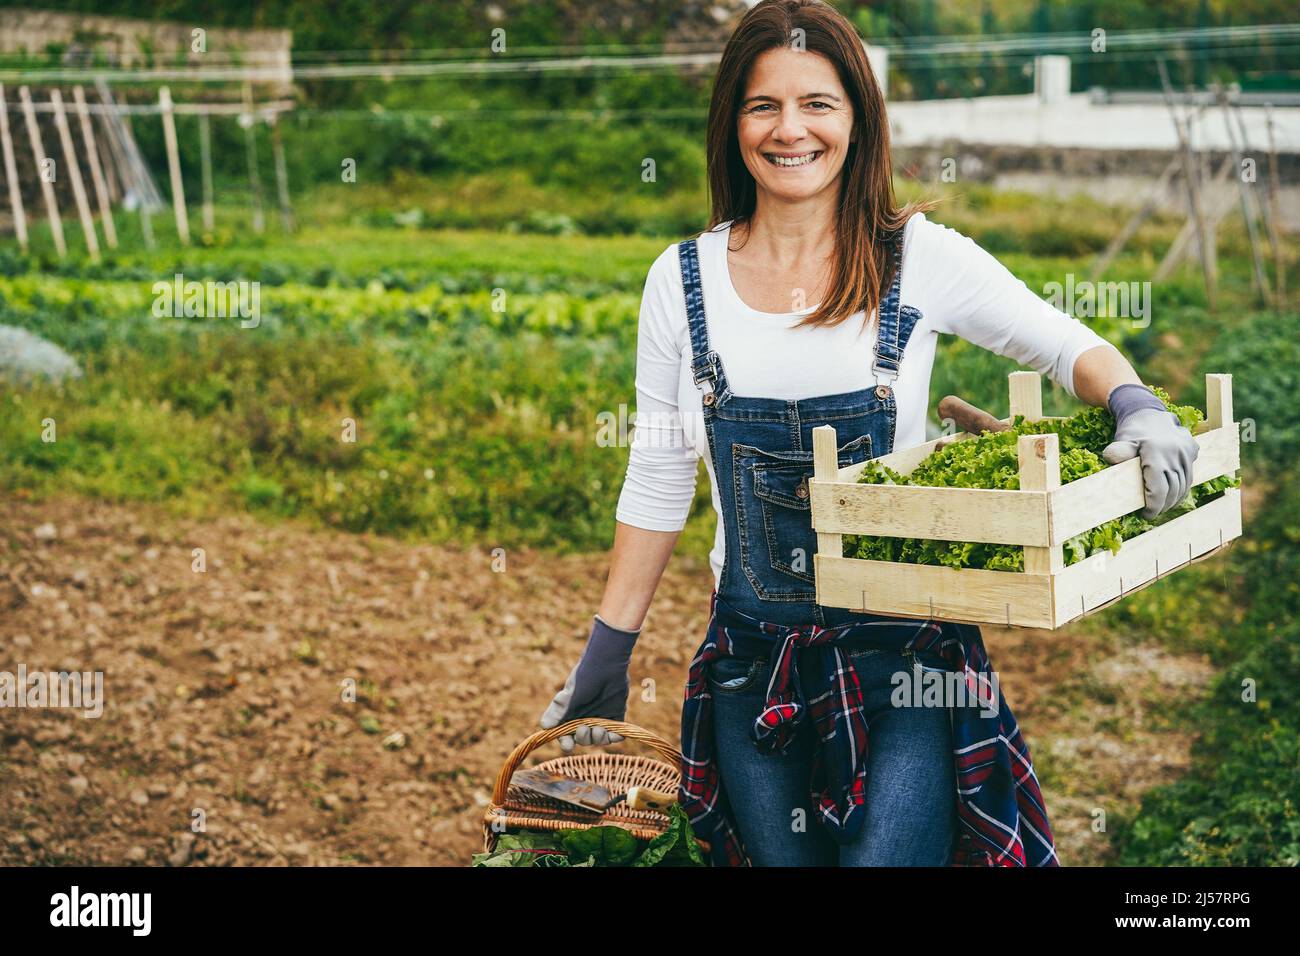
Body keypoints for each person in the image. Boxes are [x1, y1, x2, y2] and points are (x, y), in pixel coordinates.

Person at [539, 0, 1198, 867]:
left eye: (817, 103)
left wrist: (1135, 403)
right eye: (762, 105)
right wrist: (607, 653)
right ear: (732, 122)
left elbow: (1069, 344)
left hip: (907, 658)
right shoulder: (681, 280)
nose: (790, 130)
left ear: (857, 118)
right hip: (752, 662)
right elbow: (659, 476)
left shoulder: (917, 259)